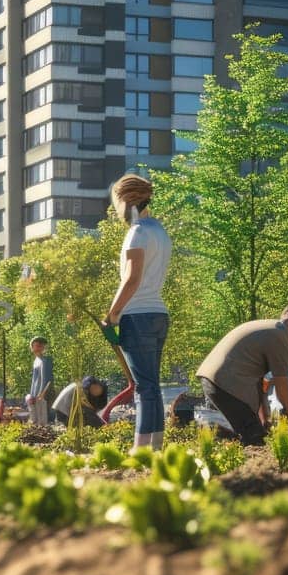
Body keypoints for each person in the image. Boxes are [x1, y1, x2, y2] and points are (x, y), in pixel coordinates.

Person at [103, 173, 172, 453]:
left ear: (126, 200)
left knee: (143, 388)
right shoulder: (160, 231)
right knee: (152, 386)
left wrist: (112, 314)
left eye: (116, 202)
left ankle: (140, 451)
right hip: (158, 314)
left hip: (137, 316)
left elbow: (131, 278)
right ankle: (154, 448)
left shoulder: (138, 232)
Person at [196, 303, 288, 446]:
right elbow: (283, 393)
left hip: (215, 379)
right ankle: (244, 463)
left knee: (252, 433)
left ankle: (222, 442)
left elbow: (260, 384)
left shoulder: (269, 329)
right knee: (254, 440)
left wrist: (265, 421)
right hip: (227, 383)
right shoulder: (280, 337)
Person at [25, 336, 54, 427]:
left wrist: (42, 393)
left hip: (42, 395)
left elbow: (47, 379)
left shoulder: (45, 361)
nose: (39, 348)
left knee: (42, 420)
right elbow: (34, 380)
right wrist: (32, 395)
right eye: (36, 345)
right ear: (32, 347)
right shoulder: (36, 361)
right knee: (34, 419)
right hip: (34, 395)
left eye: (41, 346)